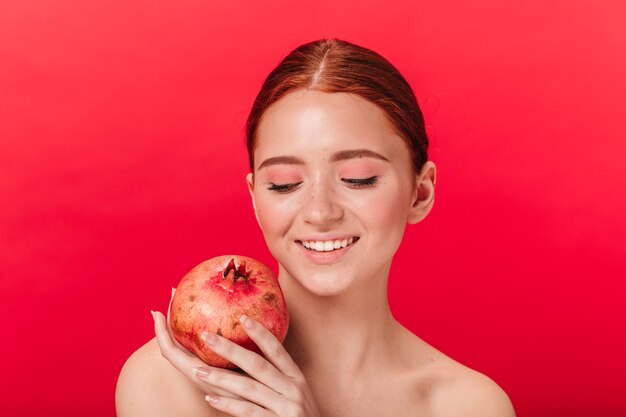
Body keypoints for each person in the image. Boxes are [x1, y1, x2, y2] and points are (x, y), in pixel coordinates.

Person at [115, 38, 516, 417]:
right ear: (256, 198)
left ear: (420, 193)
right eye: (285, 184)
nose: (320, 212)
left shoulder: (468, 406)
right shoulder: (172, 381)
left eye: (358, 178)